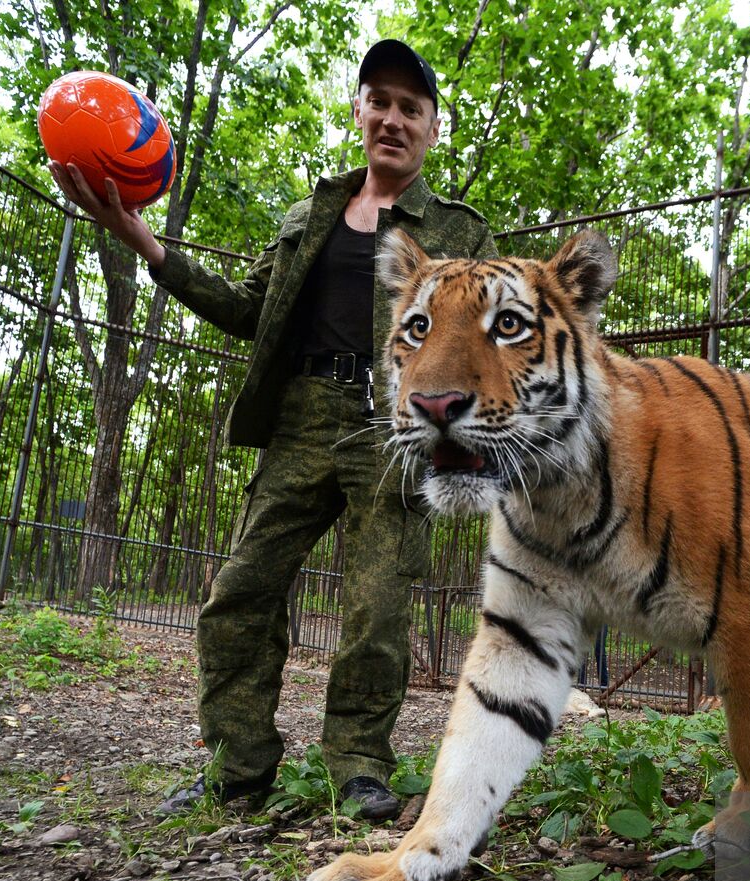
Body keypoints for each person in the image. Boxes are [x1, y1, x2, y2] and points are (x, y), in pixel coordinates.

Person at [49, 40, 497, 820]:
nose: (392, 118)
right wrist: (143, 242)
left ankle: (358, 767)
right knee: (239, 590)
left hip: (389, 426)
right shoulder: (309, 217)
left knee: (376, 608)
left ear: (432, 130)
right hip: (300, 418)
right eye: (379, 102)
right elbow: (248, 310)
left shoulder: (458, 230)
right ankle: (237, 766)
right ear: (358, 112)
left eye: (411, 109)